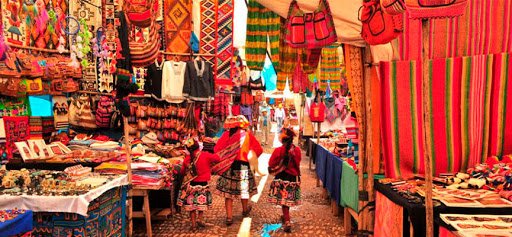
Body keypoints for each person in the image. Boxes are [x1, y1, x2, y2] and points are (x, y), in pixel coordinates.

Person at [212, 115, 263, 226]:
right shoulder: (247, 136)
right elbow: (259, 150)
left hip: (229, 167)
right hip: (244, 166)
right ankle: (245, 210)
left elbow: (216, 149)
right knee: (244, 190)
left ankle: (229, 217)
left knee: (228, 194)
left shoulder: (226, 135)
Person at [177, 138, 221, 229]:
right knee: (201, 204)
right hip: (203, 185)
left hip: (191, 185)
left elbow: (182, 172)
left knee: (191, 206)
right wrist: (210, 151)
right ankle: (199, 219)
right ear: (198, 146)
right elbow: (218, 159)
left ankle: (193, 224)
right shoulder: (205, 155)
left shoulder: (187, 159)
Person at [267, 128, 302, 233]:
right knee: (287, 201)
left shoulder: (278, 150)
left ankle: (287, 221)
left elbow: (271, 164)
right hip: (292, 178)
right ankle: (286, 218)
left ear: (283, 139)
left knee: (284, 201)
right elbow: (298, 163)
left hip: (281, 178)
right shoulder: (297, 150)